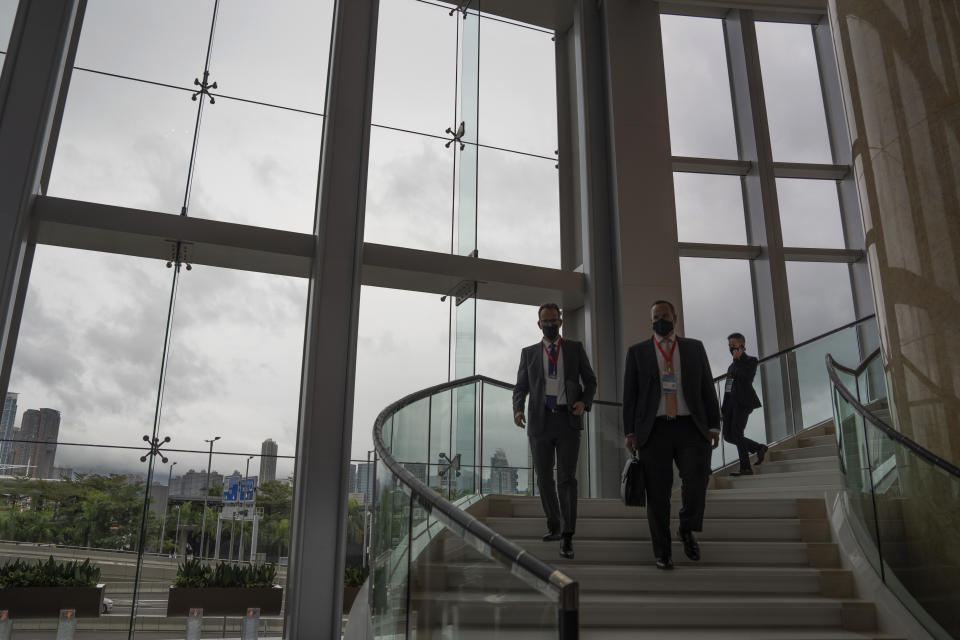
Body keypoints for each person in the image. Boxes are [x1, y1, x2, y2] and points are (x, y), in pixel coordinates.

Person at [623, 300, 720, 570]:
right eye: (656, 316)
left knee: (697, 480)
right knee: (657, 493)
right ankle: (662, 552)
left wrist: (714, 424)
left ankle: (686, 528)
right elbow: (629, 396)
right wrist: (630, 431)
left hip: (691, 426)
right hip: (654, 430)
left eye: (665, 315)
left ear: (675, 317)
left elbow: (706, 386)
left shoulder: (694, 348)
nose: (660, 320)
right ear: (650, 320)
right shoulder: (637, 352)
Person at [513, 303, 597, 560]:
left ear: (560, 321)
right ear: (539, 324)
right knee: (544, 479)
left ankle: (568, 535)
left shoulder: (574, 349)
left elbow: (591, 381)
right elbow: (520, 387)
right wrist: (517, 410)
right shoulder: (528, 353)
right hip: (539, 423)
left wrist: (584, 401)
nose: (550, 324)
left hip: (567, 419)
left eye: (553, 320)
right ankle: (554, 525)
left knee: (566, 479)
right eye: (545, 321)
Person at [721, 332, 766, 476]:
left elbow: (746, 379)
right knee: (728, 436)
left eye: (733, 345)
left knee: (737, 432)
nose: (731, 348)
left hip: (744, 402)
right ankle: (758, 448)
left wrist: (738, 361)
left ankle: (746, 468)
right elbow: (727, 388)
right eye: (729, 345)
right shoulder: (730, 367)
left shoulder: (751, 361)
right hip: (730, 404)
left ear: (742, 346)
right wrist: (723, 409)